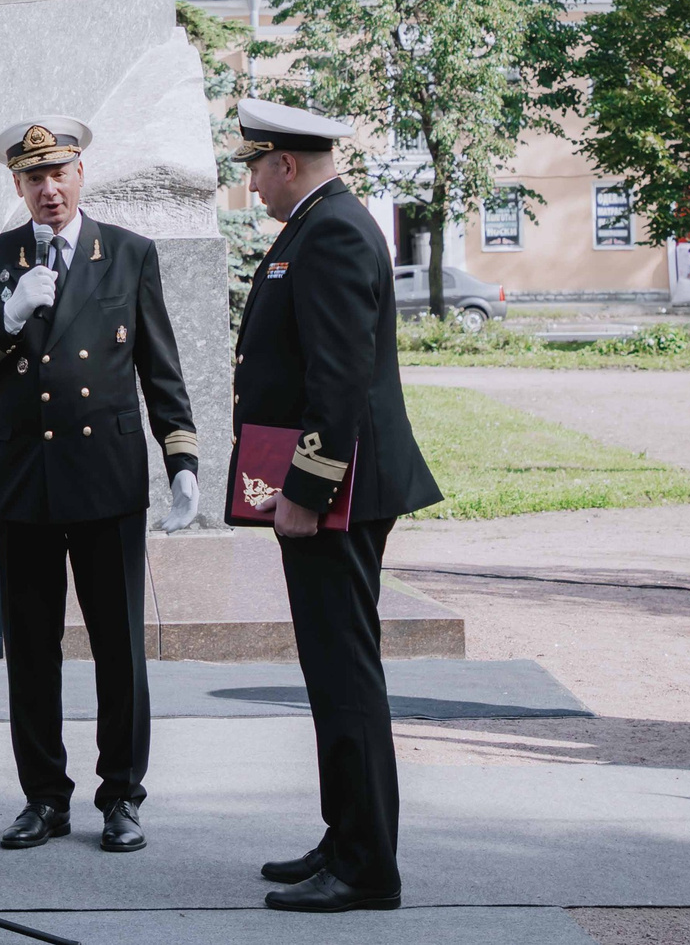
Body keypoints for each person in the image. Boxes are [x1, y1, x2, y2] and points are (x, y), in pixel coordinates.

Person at [0, 119, 200, 854]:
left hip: (106, 481)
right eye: (33, 178)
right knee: (30, 649)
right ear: (18, 185)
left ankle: (121, 794)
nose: (47, 189)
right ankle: (43, 798)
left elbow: (160, 369)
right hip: (25, 481)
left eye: (58, 173)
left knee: (119, 646)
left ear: (82, 172)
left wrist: (180, 459)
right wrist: (9, 314)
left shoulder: (127, 254)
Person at [229, 97, 444, 912]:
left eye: (255, 166)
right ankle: (343, 834)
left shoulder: (336, 230)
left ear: (287, 162)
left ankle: (364, 867)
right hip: (332, 488)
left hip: (338, 493)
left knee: (345, 671)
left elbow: (340, 379)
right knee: (330, 668)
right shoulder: (319, 224)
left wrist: (308, 491)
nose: (251, 183)